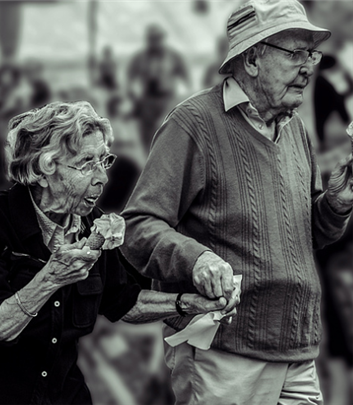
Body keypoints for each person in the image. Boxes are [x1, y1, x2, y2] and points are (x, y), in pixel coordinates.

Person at [121, 0, 353, 403]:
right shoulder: (193, 123)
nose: (308, 67)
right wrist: (197, 260)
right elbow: (138, 226)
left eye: (311, 54)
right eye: (295, 53)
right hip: (223, 351)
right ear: (251, 60)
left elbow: (306, 237)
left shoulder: (295, 129)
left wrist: (335, 206)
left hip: (296, 347)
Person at [0, 101, 232, 405]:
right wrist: (50, 278)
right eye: (86, 163)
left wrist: (192, 303)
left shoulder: (91, 225)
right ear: (43, 169)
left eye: (104, 160)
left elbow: (123, 301)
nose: (102, 178)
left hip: (60, 394)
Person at [127, 23, 190, 152]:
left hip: (167, 100)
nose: (154, 42)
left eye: (157, 38)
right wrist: (134, 100)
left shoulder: (173, 56)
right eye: (151, 38)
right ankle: (150, 164)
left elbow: (187, 79)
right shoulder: (140, 58)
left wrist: (184, 99)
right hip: (147, 101)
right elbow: (129, 78)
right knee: (147, 139)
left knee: (169, 134)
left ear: (162, 39)